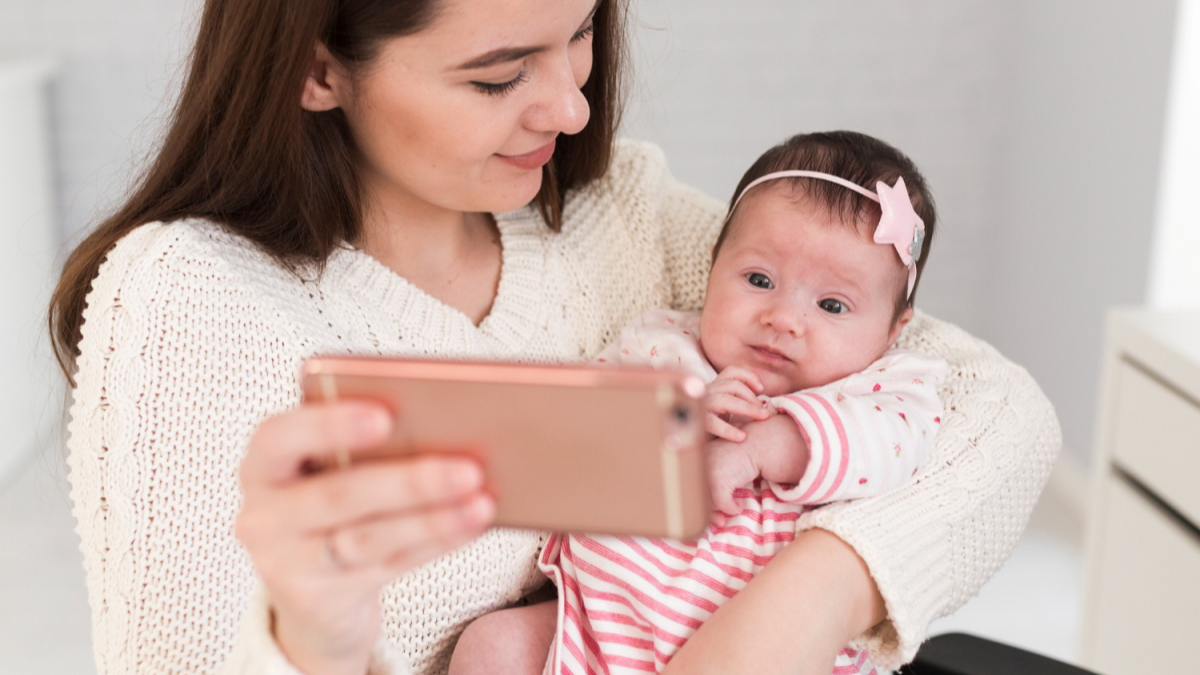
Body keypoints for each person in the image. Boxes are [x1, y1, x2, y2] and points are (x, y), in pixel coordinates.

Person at [47, 1, 1061, 674]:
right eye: (498, 77)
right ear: (317, 69)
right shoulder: (194, 299)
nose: (574, 107)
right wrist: (310, 641)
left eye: (581, 33)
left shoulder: (610, 212)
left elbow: (994, 410)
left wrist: (813, 588)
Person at [448, 131, 948, 675]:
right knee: (492, 647)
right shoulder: (663, 346)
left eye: (832, 304)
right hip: (592, 633)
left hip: (766, 651)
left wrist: (765, 446)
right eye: (759, 279)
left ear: (894, 330)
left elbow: (894, 445)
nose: (783, 319)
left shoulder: (885, 389)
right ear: (713, 267)